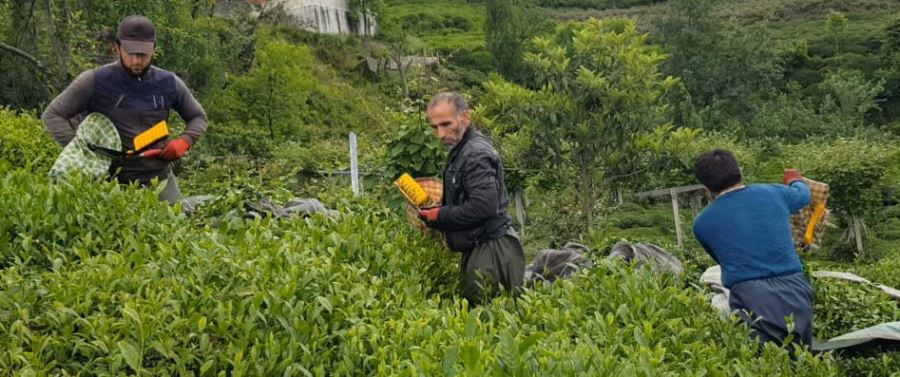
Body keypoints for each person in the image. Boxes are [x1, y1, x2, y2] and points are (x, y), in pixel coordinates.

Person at [42, 15, 207, 203]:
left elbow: (198, 117)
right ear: (117, 47)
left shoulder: (169, 83)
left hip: (157, 176)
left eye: (143, 54)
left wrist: (185, 141)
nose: (137, 60)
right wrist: (84, 153)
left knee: (179, 223)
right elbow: (53, 115)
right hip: (109, 179)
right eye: (131, 53)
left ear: (154, 49)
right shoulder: (94, 81)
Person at [692, 149, 814, 349]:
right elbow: (804, 194)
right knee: (801, 353)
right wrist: (794, 179)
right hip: (796, 289)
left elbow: (722, 258)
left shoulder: (702, 223)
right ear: (739, 171)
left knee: (764, 358)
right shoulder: (773, 193)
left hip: (750, 296)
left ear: (706, 188)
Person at [418, 92, 525, 305]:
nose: (440, 134)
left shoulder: (475, 153)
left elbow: (483, 206)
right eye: (435, 127)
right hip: (482, 246)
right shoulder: (462, 149)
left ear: (465, 118)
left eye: (446, 124)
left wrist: (439, 215)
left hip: (491, 250)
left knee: (488, 320)